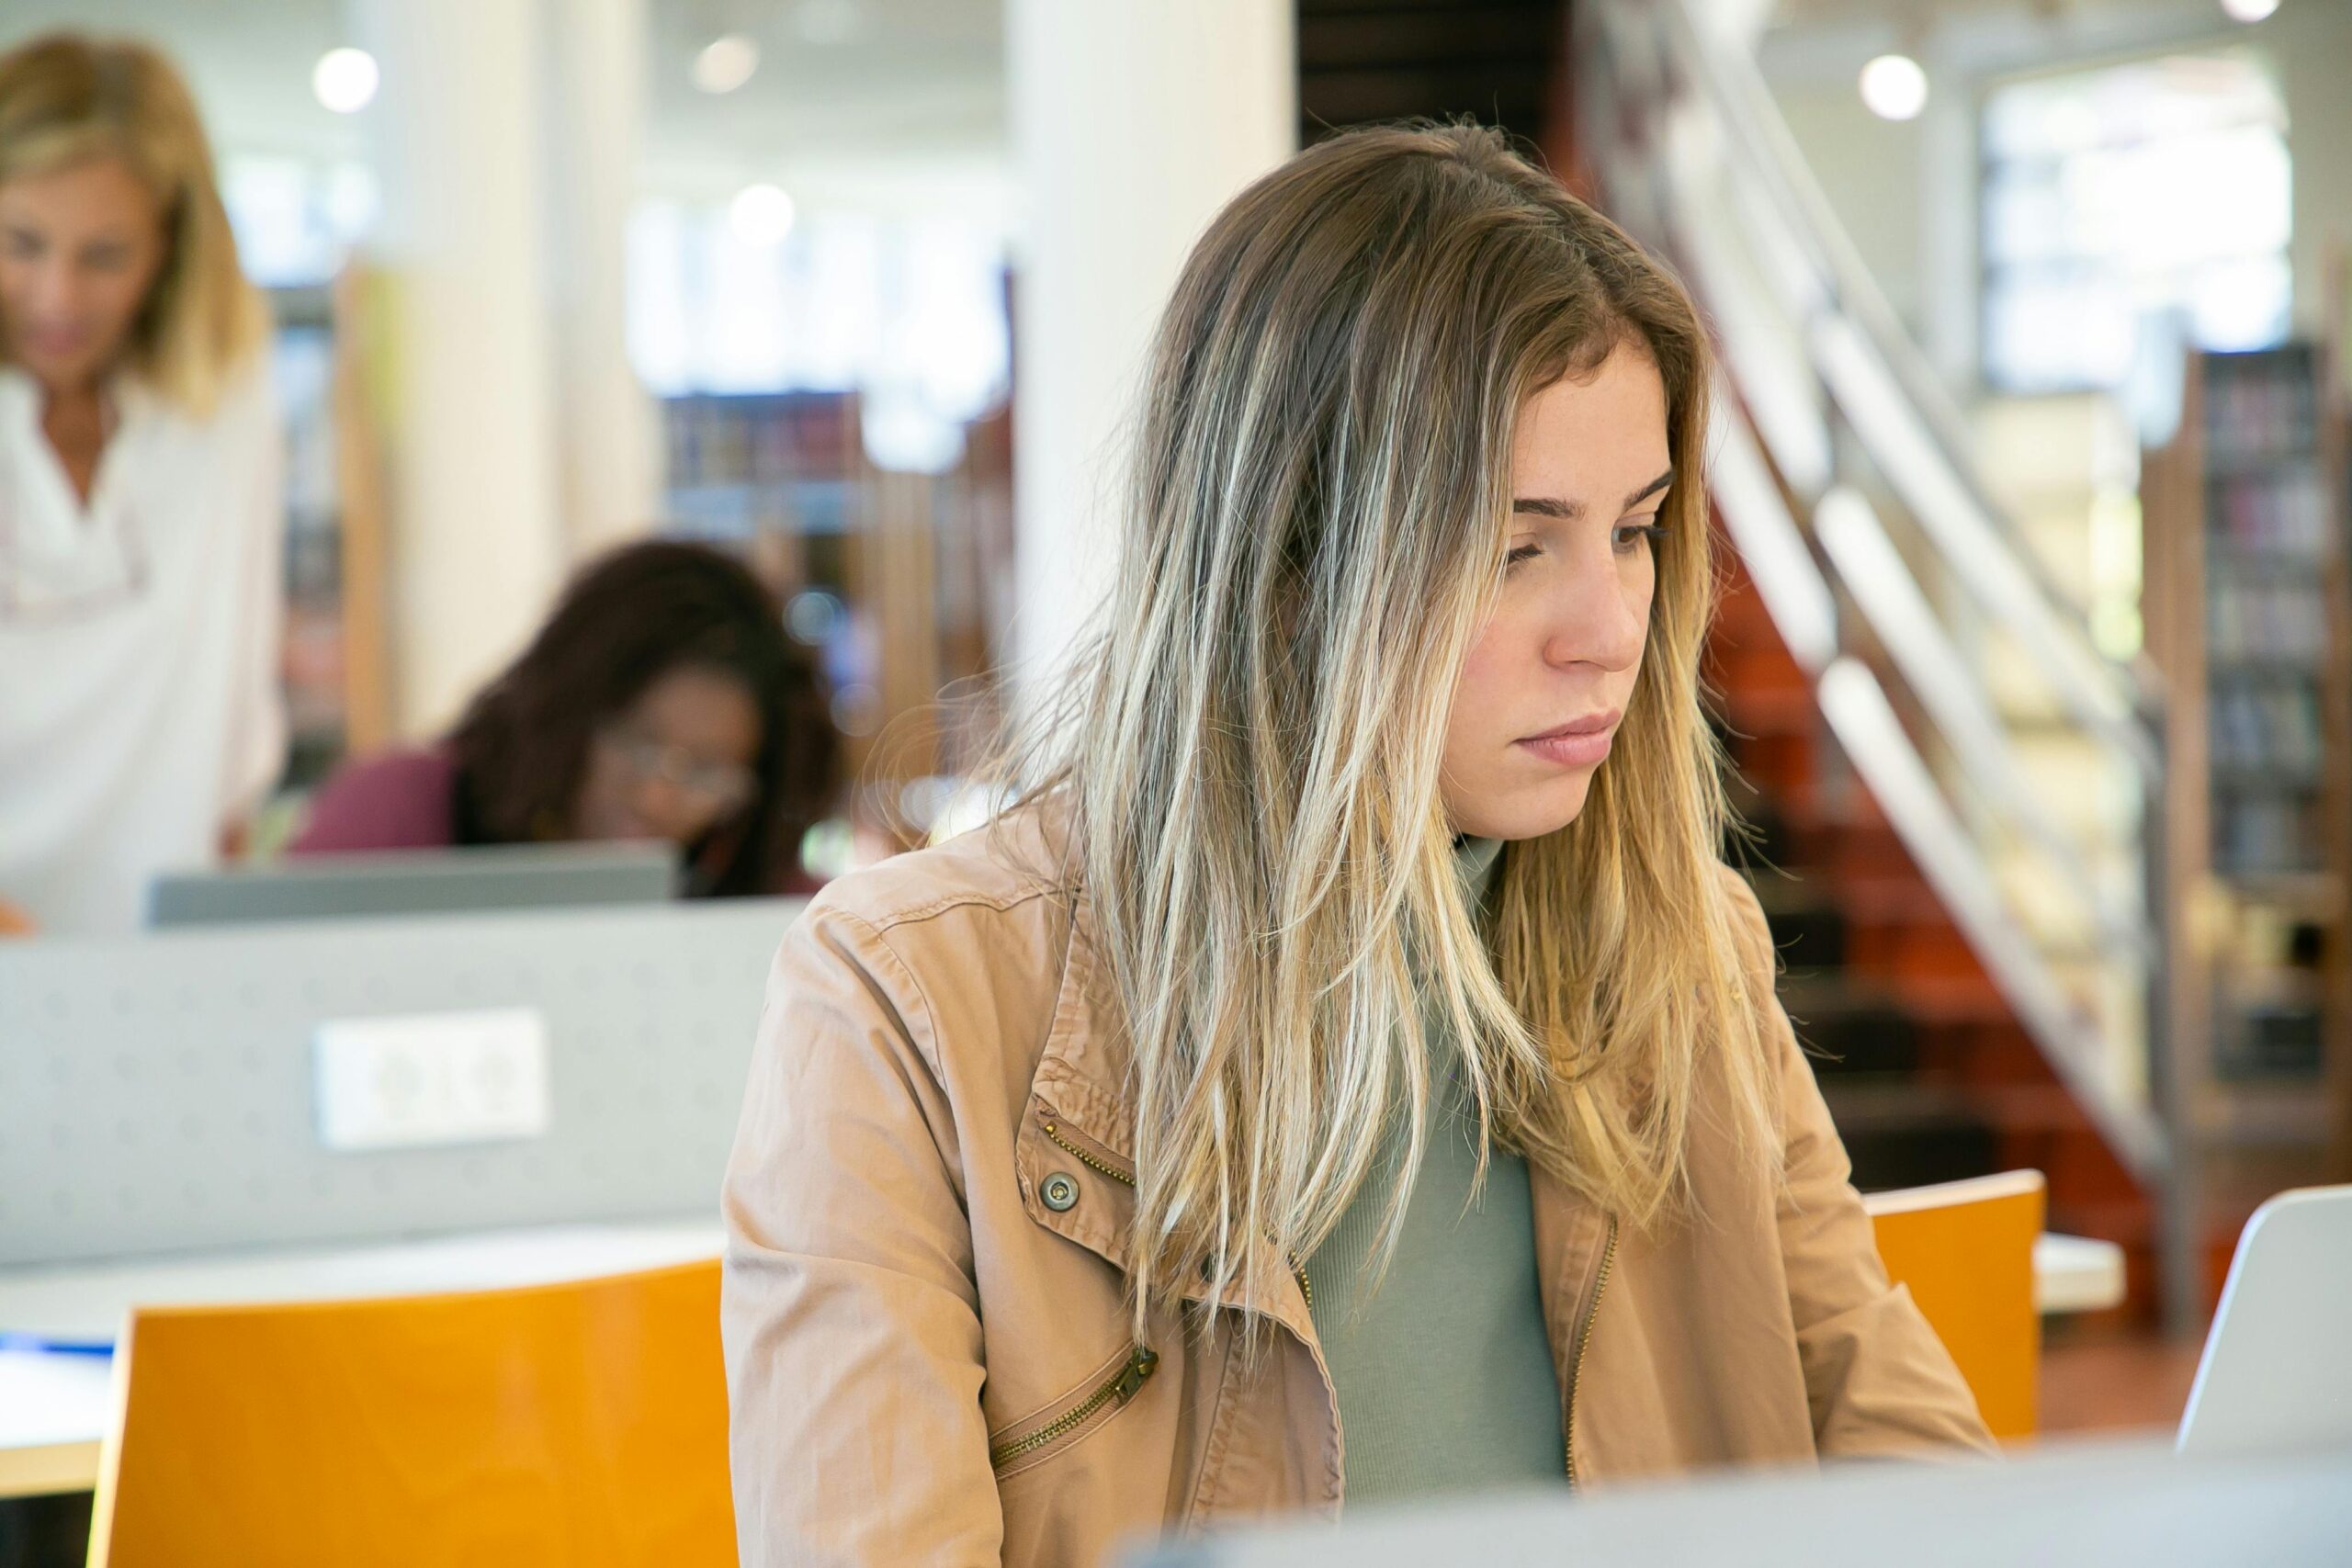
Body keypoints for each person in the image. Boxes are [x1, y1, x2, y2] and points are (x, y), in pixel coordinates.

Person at [719, 124, 1994, 1566]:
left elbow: (1917, 1473)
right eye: (1515, 546)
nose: (1609, 629)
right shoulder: (906, 998)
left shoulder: (1687, 952)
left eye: (1634, 531)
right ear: (1281, 566)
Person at [0, 32, 282, 936]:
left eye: (105, 255)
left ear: (169, 247)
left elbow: (233, 693)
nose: (57, 298)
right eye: (21, 243)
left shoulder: (223, 401)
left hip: (158, 945)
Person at [294, 539, 838, 897]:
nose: (655, 798)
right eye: (636, 743)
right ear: (566, 707)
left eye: (706, 773)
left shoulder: (778, 909)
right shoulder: (403, 812)